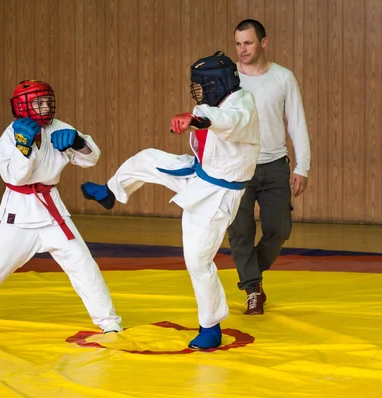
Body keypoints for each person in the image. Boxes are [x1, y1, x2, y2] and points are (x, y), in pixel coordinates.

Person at [81, 52, 260, 349]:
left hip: (218, 194)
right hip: (199, 172)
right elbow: (208, 122)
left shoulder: (242, 104)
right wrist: (195, 116)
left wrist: (195, 118)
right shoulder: (206, 106)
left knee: (198, 261)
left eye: (202, 85)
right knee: (148, 158)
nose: (198, 91)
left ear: (217, 82)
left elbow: (229, 121)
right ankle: (111, 191)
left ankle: (211, 327)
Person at [0, 80, 122, 334]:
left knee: (82, 263)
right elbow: (15, 179)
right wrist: (24, 149)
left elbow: (91, 159)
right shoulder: (10, 136)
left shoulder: (60, 128)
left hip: (52, 213)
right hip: (20, 213)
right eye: (39, 102)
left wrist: (79, 142)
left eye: (47, 101)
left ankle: (109, 321)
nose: (45, 106)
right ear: (23, 106)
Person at [228, 19, 311, 315]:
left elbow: (297, 123)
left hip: (275, 164)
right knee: (240, 231)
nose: (242, 49)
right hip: (238, 167)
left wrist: (303, 167)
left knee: (280, 229)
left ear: (264, 43)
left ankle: (251, 271)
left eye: (248, 43)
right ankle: (252, 288)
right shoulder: (228, 78)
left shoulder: (283, 77)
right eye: (238, 43)